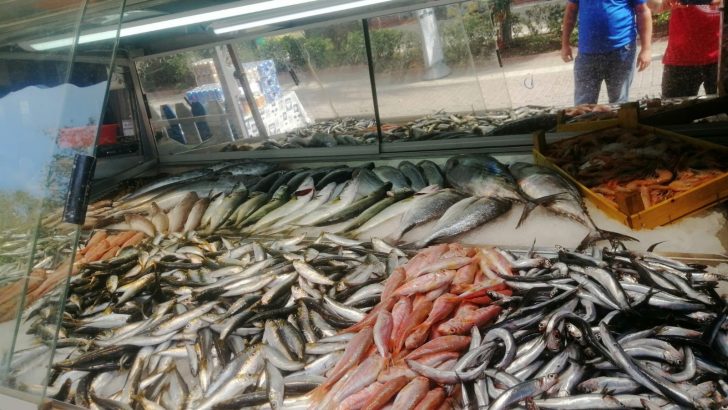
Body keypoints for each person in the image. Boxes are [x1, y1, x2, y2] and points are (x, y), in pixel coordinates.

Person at [561, 0, 653, 105]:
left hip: (621, 51)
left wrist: (646, 48)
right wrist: (565, 44)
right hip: (587, 54)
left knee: (619, 105)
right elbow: (571, 11)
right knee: (583, 106)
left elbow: (643, 11)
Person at [657, 0, 722, 98]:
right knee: (675, 106)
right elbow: (653, 3)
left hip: (722, 57)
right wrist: (662, 4)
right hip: (682, 58)